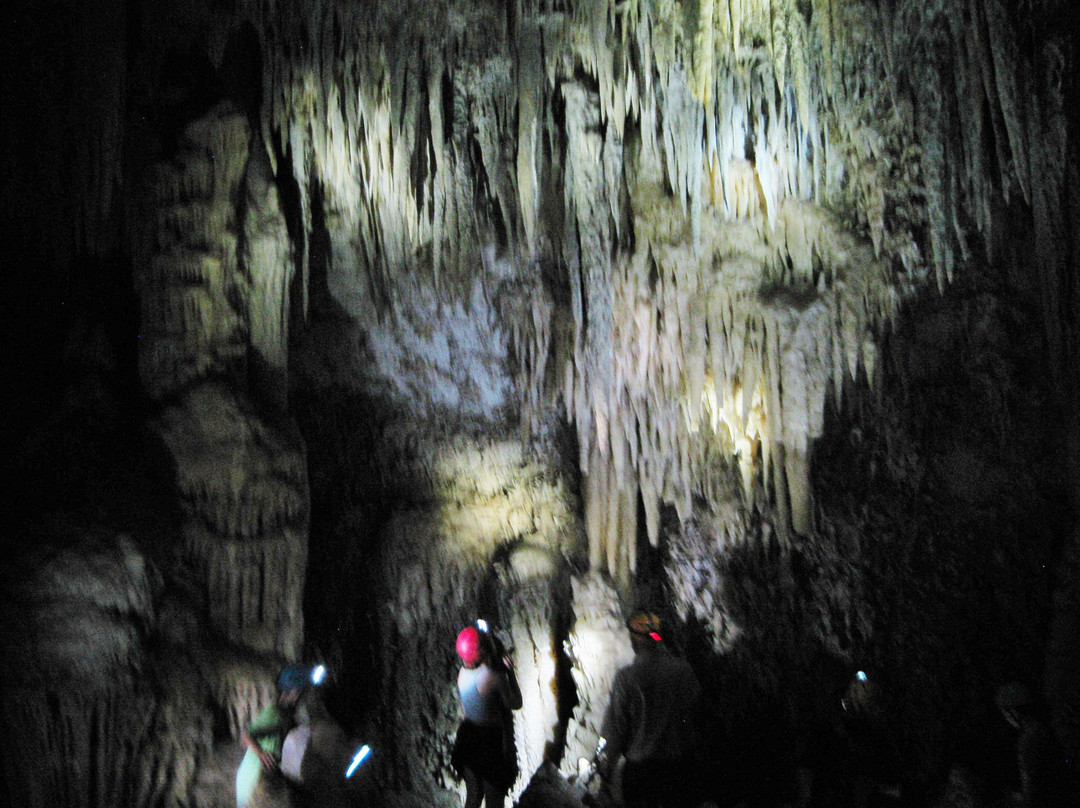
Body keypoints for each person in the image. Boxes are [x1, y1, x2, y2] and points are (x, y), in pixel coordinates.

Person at [598, 611, 702, 808]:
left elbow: (615, 731)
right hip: (679, 771)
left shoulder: (627, 678)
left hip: (642, 776)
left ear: (634, 640)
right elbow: (696, 714)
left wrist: (604, 771)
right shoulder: (683, 671)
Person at [451, 624, 523, 808]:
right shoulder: (492, 677)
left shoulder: (461, 674)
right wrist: (510, 673)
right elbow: (516, 703)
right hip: (488, 742)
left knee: (474, 796)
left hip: (467, 738)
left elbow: (467, 708)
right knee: (494, 800)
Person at [236, 664, 310, 808]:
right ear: (295, 693)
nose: (305, 697)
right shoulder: (274, 713)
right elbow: (245, 736)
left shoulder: (287, 714)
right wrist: (261, 753)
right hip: (253, 778)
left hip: (266, 776)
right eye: (304, 692)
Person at [995, 682, 1068, 808]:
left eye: (1005, 714)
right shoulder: (1045, 730)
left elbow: (1030, 793)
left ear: (1013, 712)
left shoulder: (1027, 741)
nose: (1006, 719)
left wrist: (1013, 799)